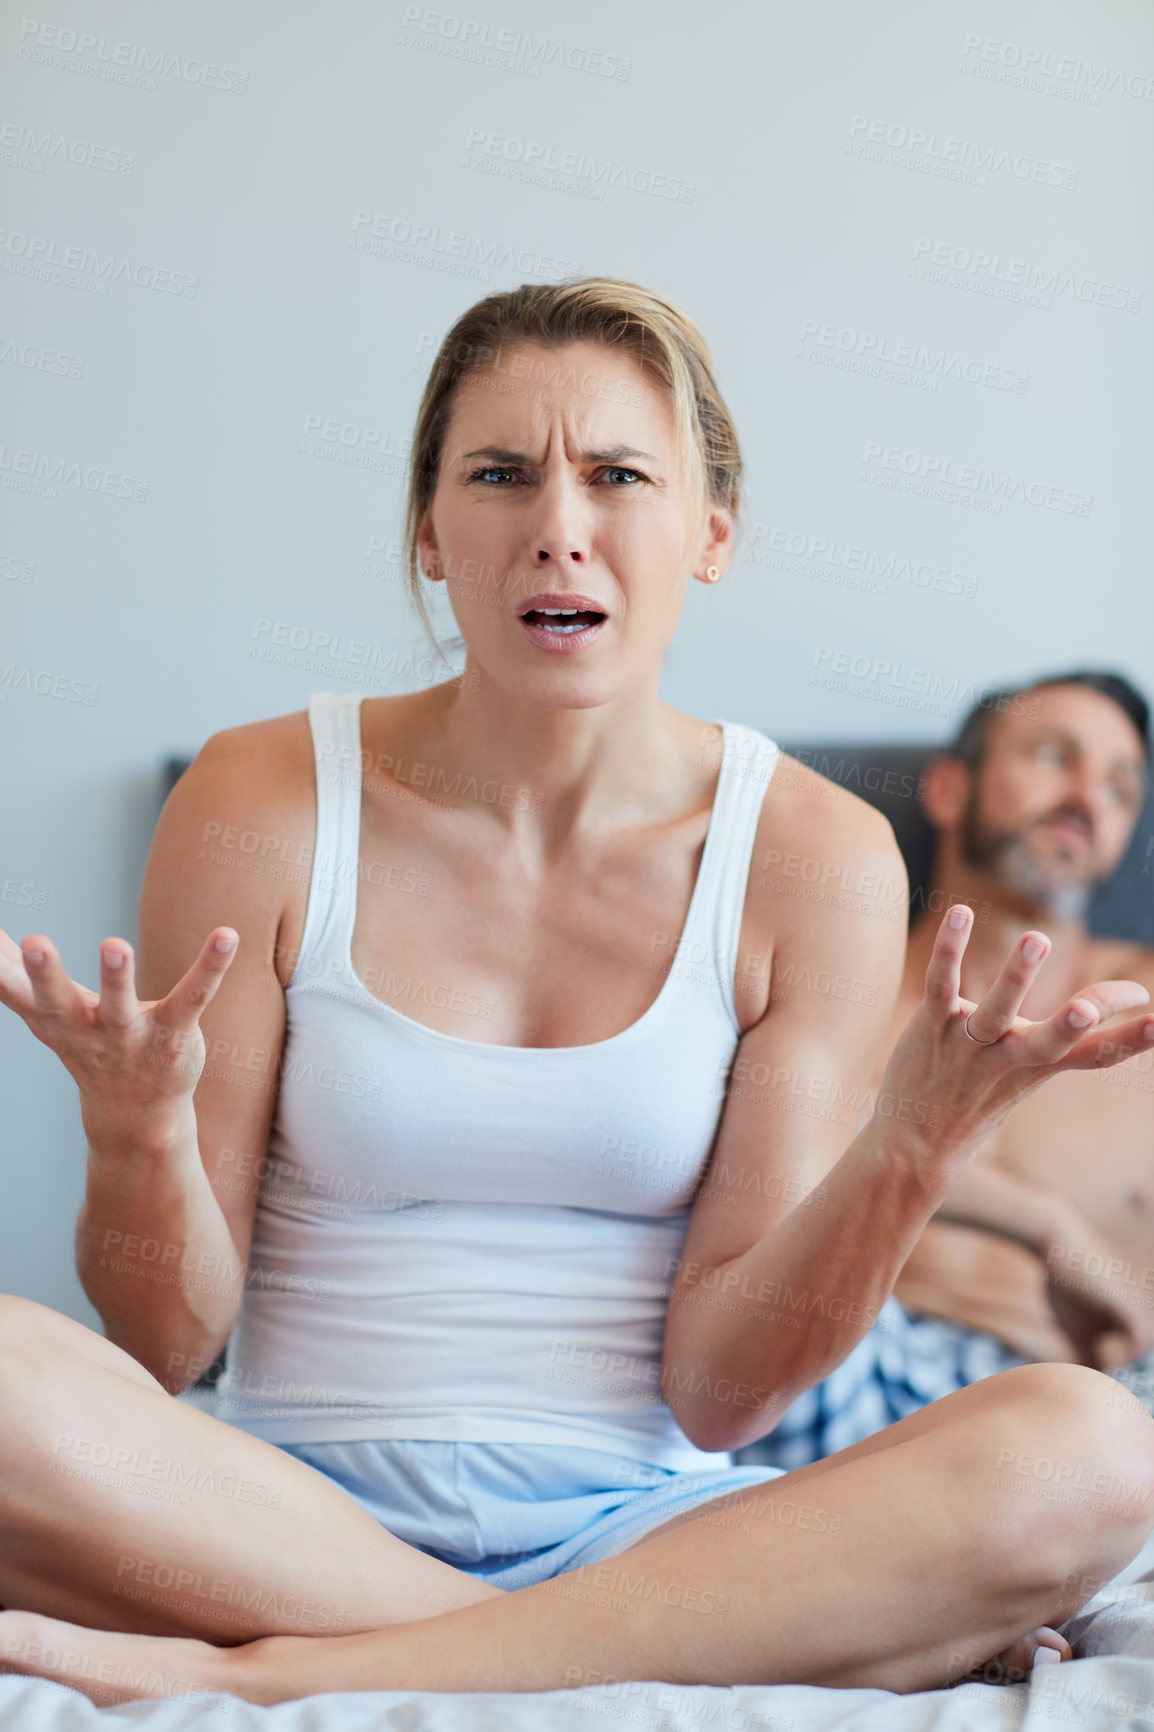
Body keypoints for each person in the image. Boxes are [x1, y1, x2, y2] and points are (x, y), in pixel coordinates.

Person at [2, 279, 1154, 1710]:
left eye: (619, 475)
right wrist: (133, 1138)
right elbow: (165, 1342)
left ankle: (287, 1671)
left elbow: (722, 1397)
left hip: (647, 1530)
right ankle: (552, 1647)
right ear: (430, 533)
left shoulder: (813, 857)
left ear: (710, 535)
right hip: (270, 1514)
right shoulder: (263, 798)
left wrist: (907, 1150)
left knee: (1092, 1445)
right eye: (497, 475)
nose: (558, 523)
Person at [735, 672, 1154, 1472]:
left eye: (1120, 787)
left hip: (1076, 1413)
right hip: (852, 1384)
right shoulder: (831, 978)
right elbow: (754, 1156)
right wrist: (1043, 1223)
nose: (1085, 797)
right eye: (1052, 756)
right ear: (948, 789)